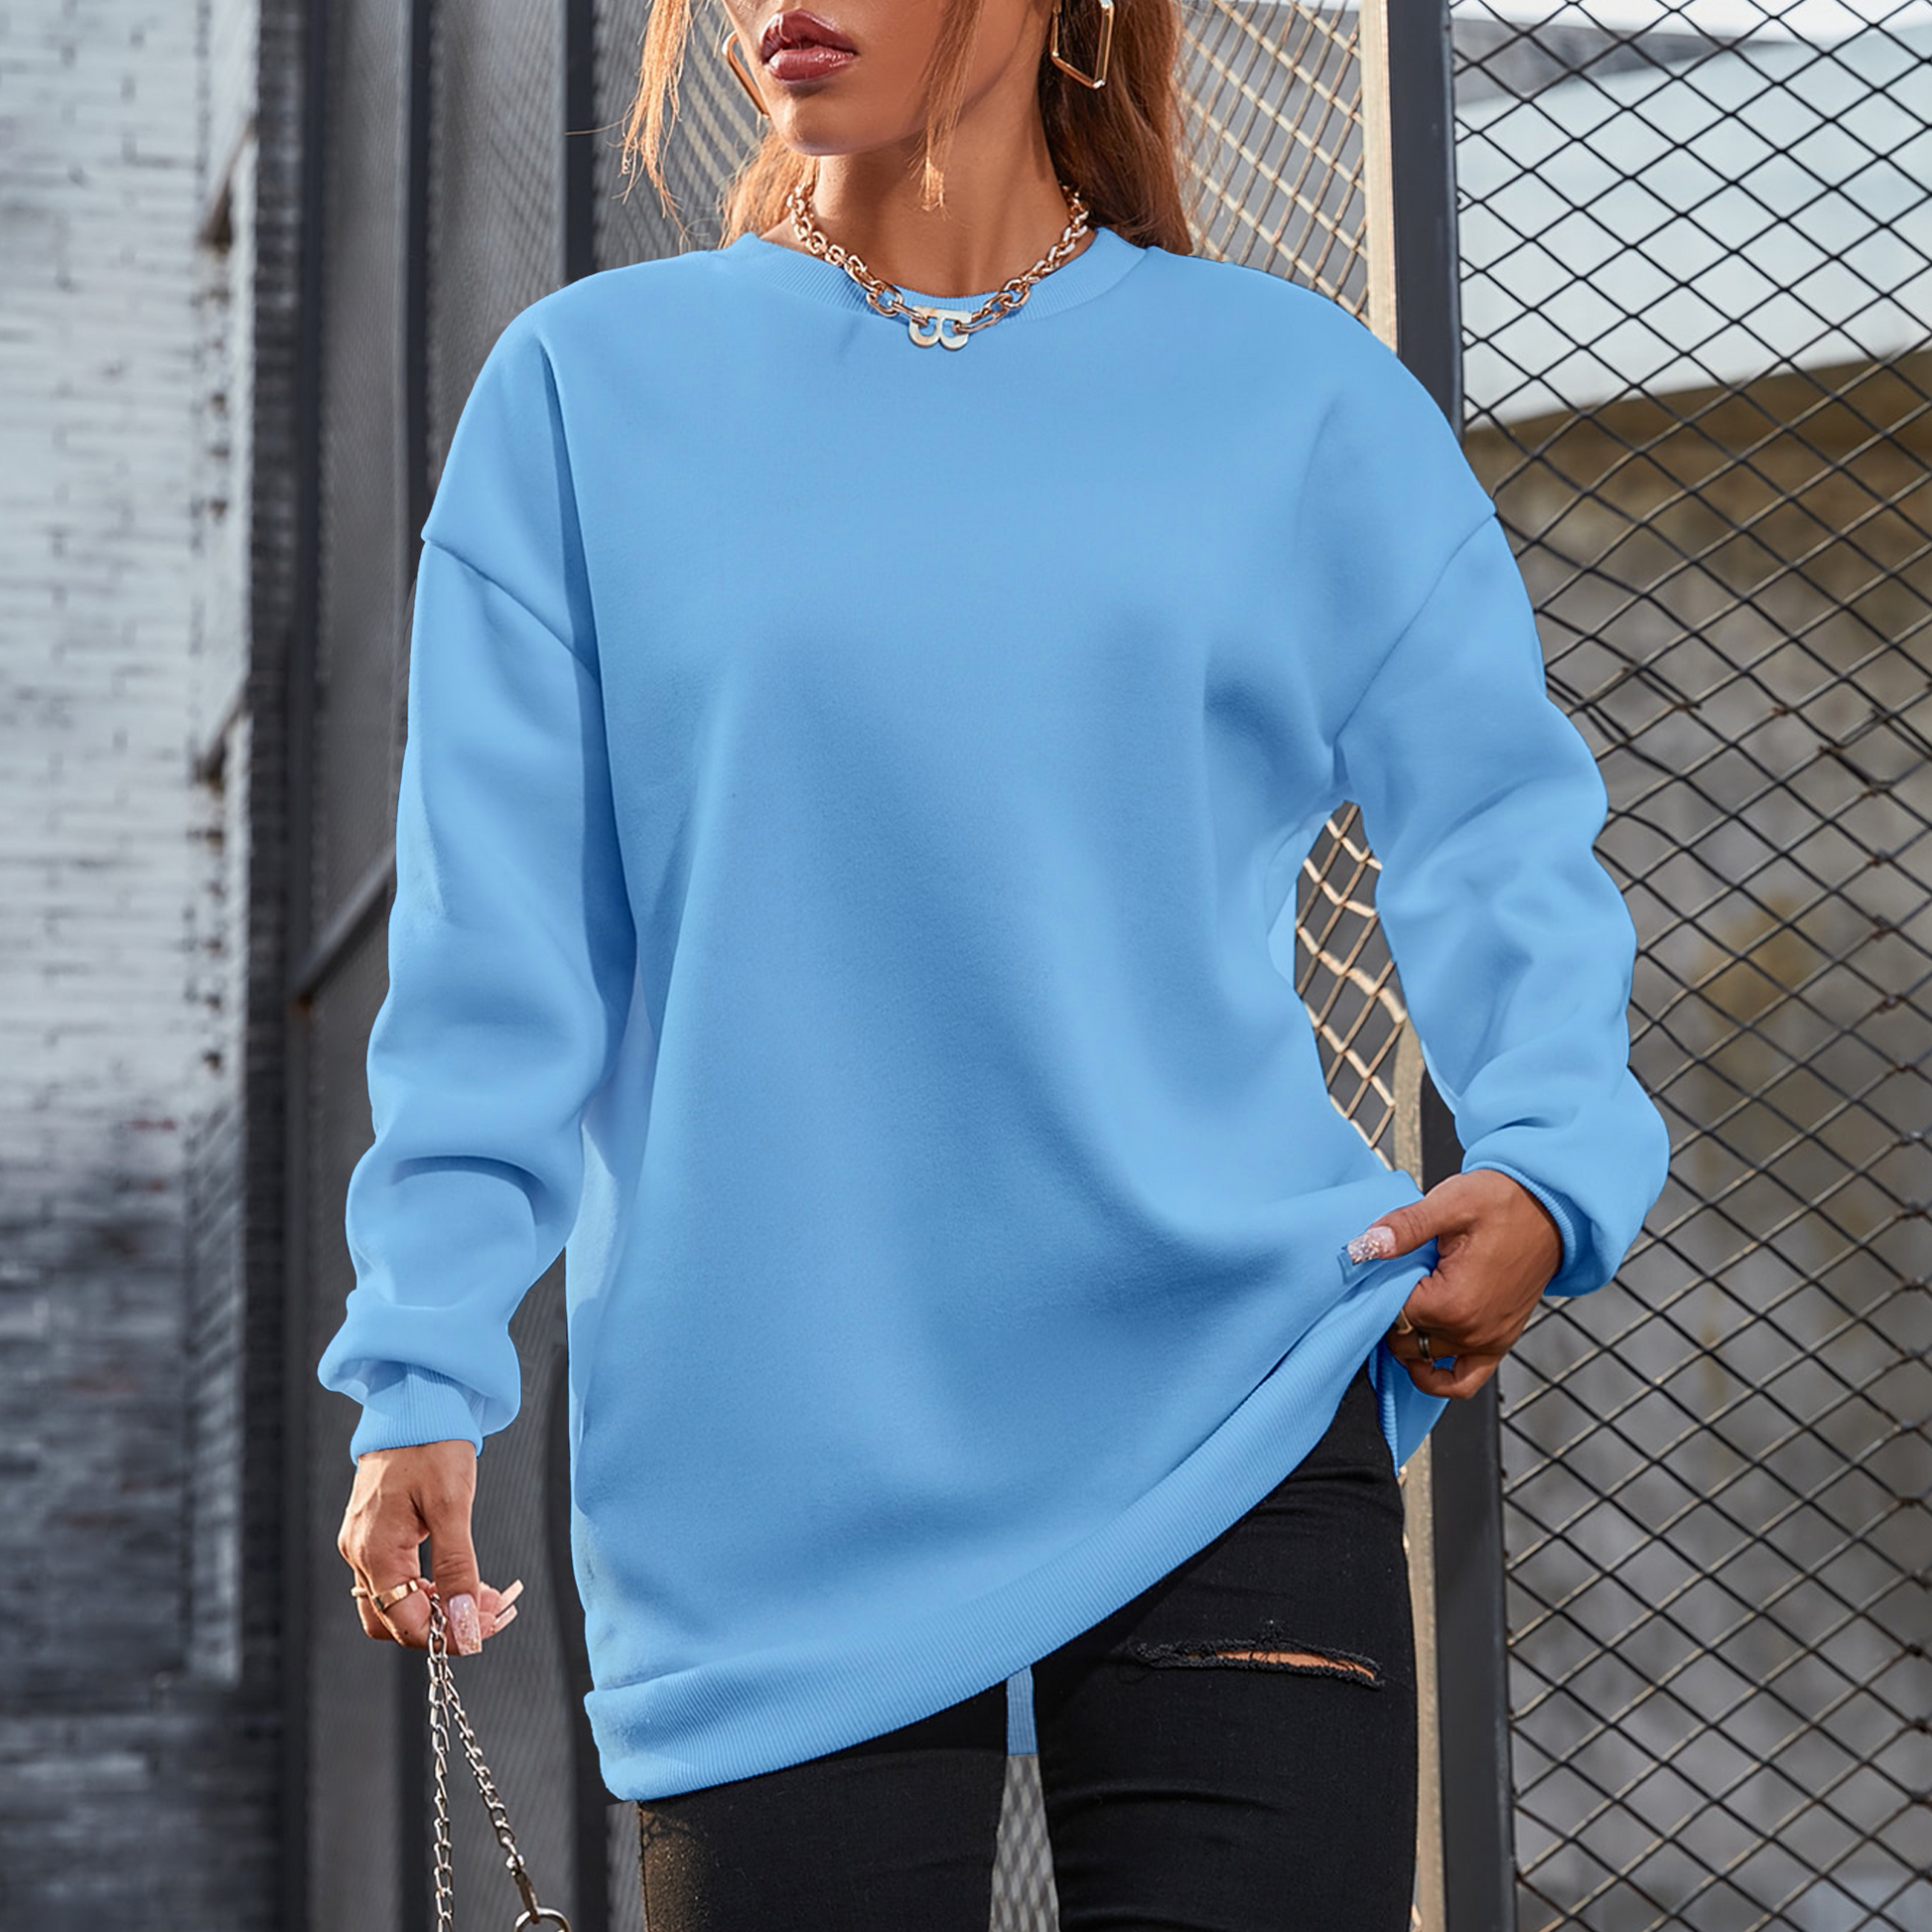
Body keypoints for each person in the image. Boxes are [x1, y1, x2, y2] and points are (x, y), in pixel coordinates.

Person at [321, 0, 1673, 1925]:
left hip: (1226, 1381)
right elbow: (498, 945)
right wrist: (424, 1355)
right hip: (766, 1450)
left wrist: (1549, 1156)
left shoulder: (1286, 392)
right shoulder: (585, 393)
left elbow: (1491, 815)